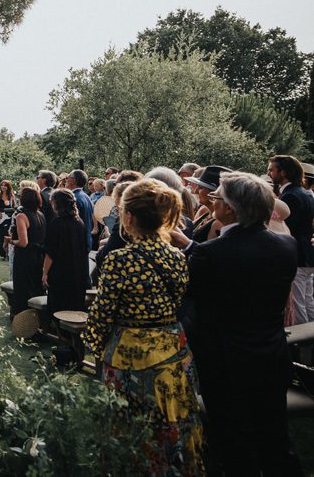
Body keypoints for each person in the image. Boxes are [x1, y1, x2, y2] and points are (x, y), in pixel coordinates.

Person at [82, 179, 204, 475]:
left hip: (131, 356)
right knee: (173, 423)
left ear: (129, 216)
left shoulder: (119, 260)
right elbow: (177, 301)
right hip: (174, 353)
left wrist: (93, 346)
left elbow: (103, 312)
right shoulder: (177, 257)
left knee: (133, 429)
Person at [186, 172, 302, 475]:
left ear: (230, 209)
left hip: (225, 361)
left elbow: (193, 302)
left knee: (232, 443)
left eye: (217, 197)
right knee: (275, 440)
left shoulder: (209, 254)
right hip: (271, 355)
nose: (212, 202)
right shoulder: (287, 247)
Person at [269, 155, 314, 324]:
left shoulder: (289, 196)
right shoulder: (305, 193)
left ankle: (303, 343)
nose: (269, 173)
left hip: (297, 253)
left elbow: (287, 229)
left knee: (297, 302)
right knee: (308, 299)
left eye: (272, 170)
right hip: (308, 252)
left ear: (284, 172)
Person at [42, 189, 88, 314]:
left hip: (60, 272)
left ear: (57, 204)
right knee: (75, 306)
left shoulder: (56, 224)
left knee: (59, 309)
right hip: (78, 271)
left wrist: (45, 273)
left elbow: (50, 252)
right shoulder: (80, 223)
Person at [7, 186, 45, 317]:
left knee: (22, 288)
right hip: (39, 256)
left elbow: (23, 242)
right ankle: (37, 318)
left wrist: (11, 241)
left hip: (25, 257)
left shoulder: (21, 216)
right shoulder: (41, 215)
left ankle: (22, 319)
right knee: (35, 286)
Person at [65, 169, 95, 254]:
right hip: (85, 240)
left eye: (68, 177)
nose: (66, 179)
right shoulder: (86, 196)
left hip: (76, 243)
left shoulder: (73, 198)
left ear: (74, 180)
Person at [0, 180, 17, 259]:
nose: (3, 187)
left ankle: (9, 253)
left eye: (5, 185)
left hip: (10, 217)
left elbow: (15, 206)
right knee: (0, 235)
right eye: (2, 185)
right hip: (1, 217)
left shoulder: (11, 195)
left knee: (9, 234)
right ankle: (2, 254)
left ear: (8, 187)